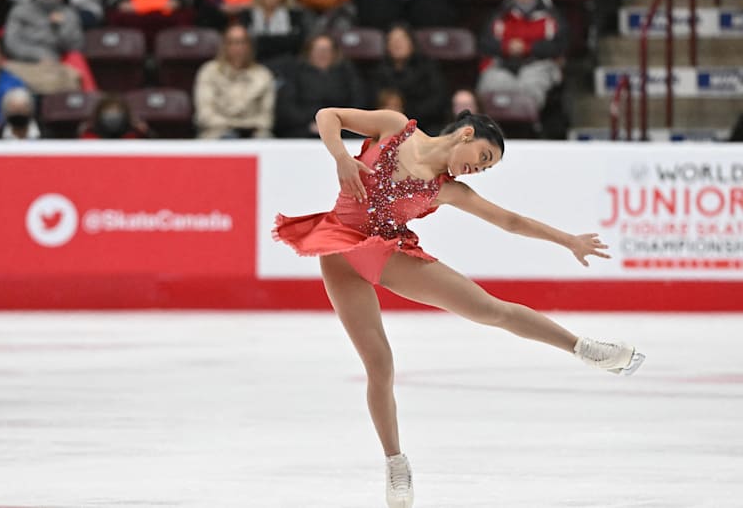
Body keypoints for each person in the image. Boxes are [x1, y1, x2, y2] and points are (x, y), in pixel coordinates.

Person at [272, 107, 645, 508]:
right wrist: (341, 158)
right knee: (379, 365)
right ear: (466, 134)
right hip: (340, 252)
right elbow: (328, 115)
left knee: (490, 310)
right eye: (483, 159)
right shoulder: (395, 128)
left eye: (486, 170)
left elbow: (510, 221)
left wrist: (567, 240)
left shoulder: (448, 190)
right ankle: (396, 463)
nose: (478, 170)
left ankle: (585, 349)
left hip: (388, 253)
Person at [476, 0, 567, 111]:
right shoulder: (500, 15)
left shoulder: (551, 16)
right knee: (491, 82)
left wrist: (528, 48)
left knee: (530, 83)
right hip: (503, 64)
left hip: (538, 65)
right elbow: (485, 44)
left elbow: (560, 46)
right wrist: (506, 47)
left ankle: (530, 128)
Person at [4, 0, 97, 90]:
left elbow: (75, 46)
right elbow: (11, 43)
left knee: (66, 77)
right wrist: (40, 56)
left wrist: (60, 28)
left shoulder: (69, 14)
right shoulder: (20, 11)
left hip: (56, 67)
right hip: (24, 64)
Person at [193, 24, 275, 139]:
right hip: (217, 132)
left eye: (242, 42)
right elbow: (205, 115)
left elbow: (266, 118)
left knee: (266, 139)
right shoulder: (209, 72)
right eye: (232, 42)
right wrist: (233, 126)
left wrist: (243, 128)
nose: (238, 47)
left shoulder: (263, 75)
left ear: (250, 46)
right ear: (224, 46)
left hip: (254, 134)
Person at [275, 33, 364, 138]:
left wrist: (337, 124)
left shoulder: (347, 73)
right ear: (309, 52)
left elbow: (358, 103)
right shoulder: (295, 73)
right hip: (303, 127)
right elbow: (287, 107)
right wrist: (311, 123)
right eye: (317, 50)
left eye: (327, 50)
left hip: (342, 127)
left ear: (335, 53)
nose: (322, 54)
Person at [368, 23, 446, 134]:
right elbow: (373, 100)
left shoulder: (428, 68)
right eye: (392, 40)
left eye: (401, 39)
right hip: (386, 127)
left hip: (423, 125)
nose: (397, 44)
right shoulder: (378, 71)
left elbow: (438, 100)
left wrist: (407, 114)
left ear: (412, 43)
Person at [237, 0, 310, 66]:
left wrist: (261, 40)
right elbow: (246, 44)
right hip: (253, 64)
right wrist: (282, 40)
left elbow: (296, 44)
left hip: (286, 64)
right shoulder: (247, 14)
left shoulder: (294, 15)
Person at [79, 93, 150, 139]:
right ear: (100, 112)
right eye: (109, 110)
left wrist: (146, 132)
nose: (113, 114)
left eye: (116, 110)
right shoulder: (90, 133)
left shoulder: (134, 133)